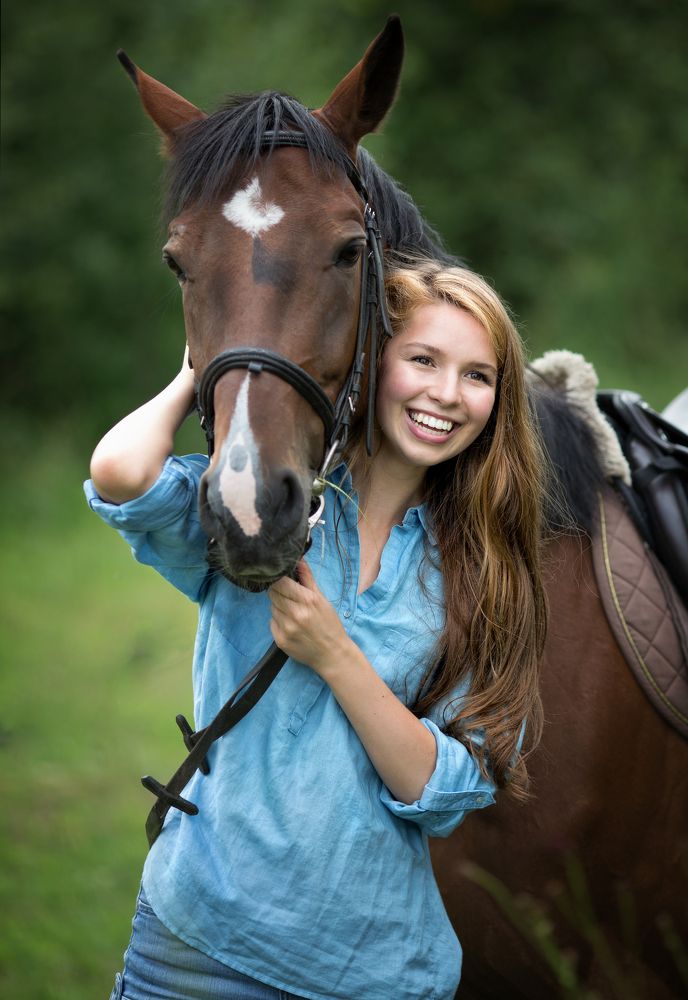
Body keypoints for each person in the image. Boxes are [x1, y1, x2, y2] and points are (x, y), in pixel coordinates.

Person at [86, 257, 547, 1000]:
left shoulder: (485, 571)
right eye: (423, 360)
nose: (445, 394)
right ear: (367, 363)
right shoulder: (265, 507)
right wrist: (196, 372)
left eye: (477, 375)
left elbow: (448, 791)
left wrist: (337, 657)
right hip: (199, 941)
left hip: (370, 969)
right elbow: (122, 474)